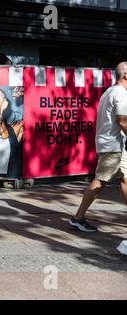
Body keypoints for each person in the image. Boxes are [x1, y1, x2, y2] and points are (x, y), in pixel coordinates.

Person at [70, 62, 127, 242]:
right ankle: (77, 218)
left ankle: (78, 218)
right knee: (100, 180)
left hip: (114, 145)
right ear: (125, 75)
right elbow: (123, 121)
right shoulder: (121, 94)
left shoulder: (109, 92)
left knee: (124, 179)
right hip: (113, 146)